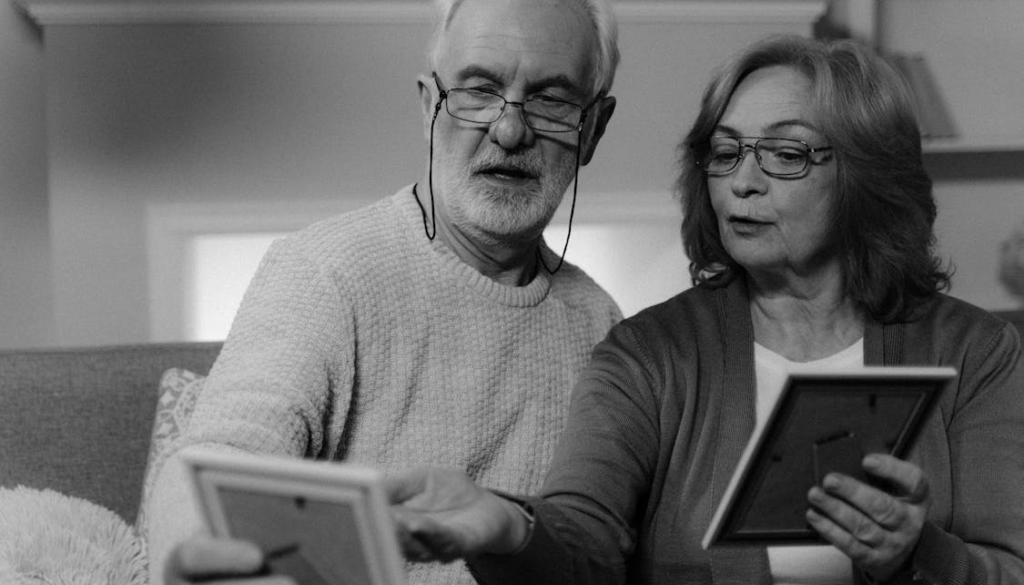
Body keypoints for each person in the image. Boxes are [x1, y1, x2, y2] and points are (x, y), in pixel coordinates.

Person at [386, 35, 1024, 584]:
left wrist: (917, 553)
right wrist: (508, 527)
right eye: (726, 153)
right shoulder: (648, 354)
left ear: (865, 177)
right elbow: (580, 550)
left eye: (786, 153)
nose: (743, 182)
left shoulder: (976, 351)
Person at [146, 0, 622, 583]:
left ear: (594, 128)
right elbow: (226, 454)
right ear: (430, 106)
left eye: (551, 98)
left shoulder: (601, 325)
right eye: (478, 89)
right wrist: (203, 548)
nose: (509, 128)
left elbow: (599, 550)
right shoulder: (324, 271)